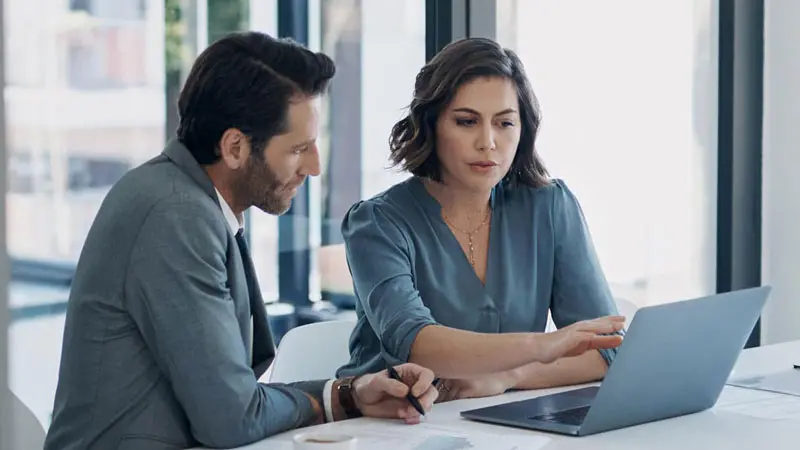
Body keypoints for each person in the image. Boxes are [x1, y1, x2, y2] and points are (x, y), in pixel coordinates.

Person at [44, 32, 437, 450]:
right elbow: (232, 419)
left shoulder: (182, 196)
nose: (315, 166)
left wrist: (349, 393)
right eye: (298, 148)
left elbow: (234, 404)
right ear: (234, 147)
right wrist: (340, 398)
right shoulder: (176, 215)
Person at [336, 37, 625, 402]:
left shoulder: (550, 205)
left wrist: (510, 376)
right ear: (431, 124)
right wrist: (543, 346)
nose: (488, 142)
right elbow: (415, 343)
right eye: (466, 121)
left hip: (502, 426)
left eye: (505, 123)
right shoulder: (377, 224)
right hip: (391, 425)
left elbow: (607, 348)